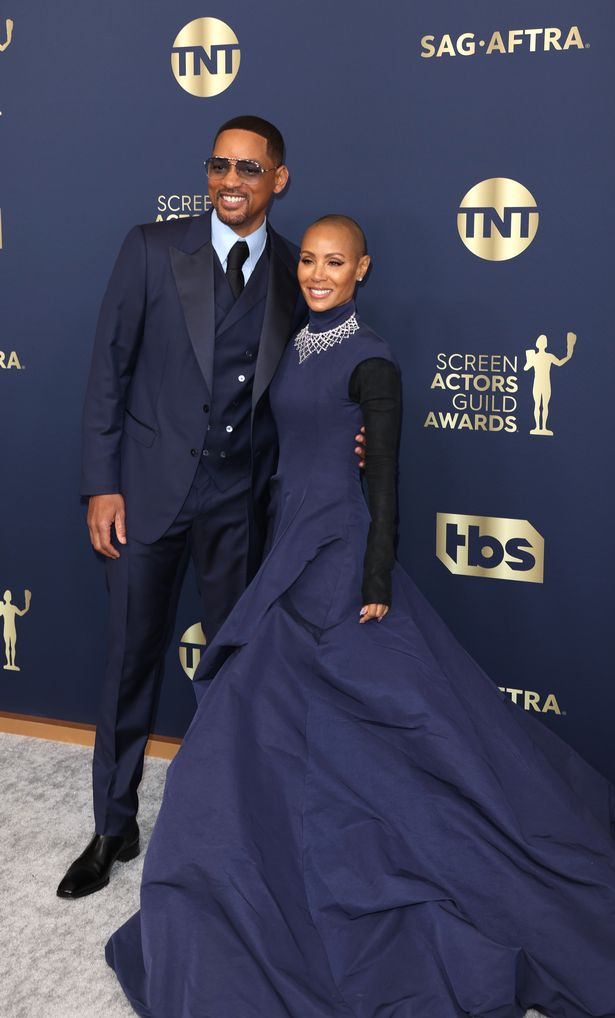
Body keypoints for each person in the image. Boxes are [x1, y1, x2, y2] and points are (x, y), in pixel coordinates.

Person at [106, 216, 615, 1017]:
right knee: (274, 707)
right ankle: (273, 845)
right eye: (309, 260)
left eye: (334, 262)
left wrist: (373, 578)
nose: (317, 273)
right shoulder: (298, 343)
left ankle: (350, 850)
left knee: (339, 702)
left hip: (338, 550)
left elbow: (383, 480)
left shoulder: (370, 358)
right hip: (290, 538)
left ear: (361, 270)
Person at [57, 115, 309, 899]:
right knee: (129, 661)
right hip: (144, 494)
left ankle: (223, 825)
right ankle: (112, 825)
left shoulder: (294, 271)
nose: (229, 181)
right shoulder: (151, 248)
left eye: (248, 169)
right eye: (218, 166)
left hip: (239, 502)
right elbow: (108, 371)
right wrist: (101, 483)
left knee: (234, 672)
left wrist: (358, 432)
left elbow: (307, 389)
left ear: (277, 179)